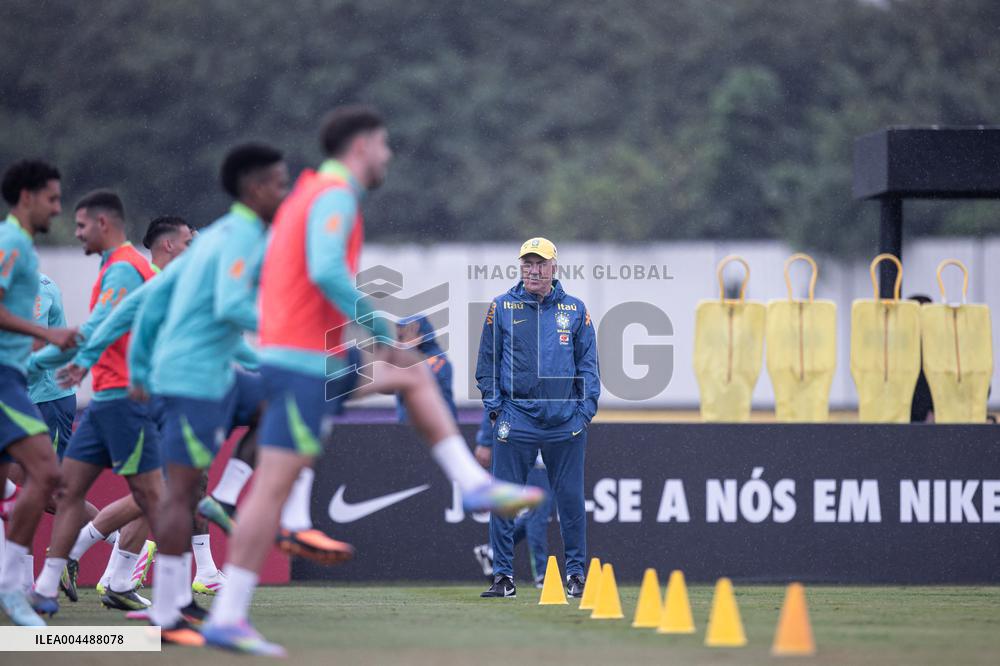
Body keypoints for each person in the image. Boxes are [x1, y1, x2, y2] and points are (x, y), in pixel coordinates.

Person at [200, 105, 544, 656]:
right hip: (300, 363)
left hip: (307, 358)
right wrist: (380, 328)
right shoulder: (334, 194)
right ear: (360, 147)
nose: (388, 156)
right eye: (384, 145)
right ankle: (229, 612)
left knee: (410, 376)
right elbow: (326, 268)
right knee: (270, 488)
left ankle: (471, 483)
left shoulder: (311, 194)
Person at [125, 143, 289, 646]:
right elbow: (230, 303)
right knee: (179, 492)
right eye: (279, 183)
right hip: (193, 378)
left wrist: (137, 367)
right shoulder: (235, 237)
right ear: (255, 188)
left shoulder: (221, 237)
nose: (284, 192)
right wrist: (287, 334)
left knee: (275, 402)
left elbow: (151, 306)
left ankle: (225, 496)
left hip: (211, 373)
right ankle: (168, 612)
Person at [30, 190, 163, 619]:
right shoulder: (116, 266)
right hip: (111, 398)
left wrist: (77, 359)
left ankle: (108, 578)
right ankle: (53, 585)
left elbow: (103, 326)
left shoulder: (125, 268)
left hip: (124, 396)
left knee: (149, 494)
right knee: (74, 493)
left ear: (104, 224)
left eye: (82, 225)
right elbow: (101, 328)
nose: (77, 232)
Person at [54, 216, 195, 606]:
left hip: (159, 397)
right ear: (168, 245)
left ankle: (117, 582)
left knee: (156, 493)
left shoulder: (168, 282)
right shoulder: (140, 278)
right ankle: (69, 555)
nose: (193, 247)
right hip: (135, 400)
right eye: (187, 240)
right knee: (155, 492)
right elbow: (108, 324)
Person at [475, 237, 599, 599]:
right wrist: (497, 410)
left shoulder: (575, 310)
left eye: (540, 263)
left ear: (553, 268)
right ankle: (503, 578)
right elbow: (487, 366)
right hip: (517, 419)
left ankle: (576, 576)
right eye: (527, 263)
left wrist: (584, 413)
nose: (532, 269)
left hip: (565, 422)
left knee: (571, 500)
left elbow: (588, 367)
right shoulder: (501, 307)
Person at [0, 159, 75, 626]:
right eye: (52, 198)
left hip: (13, 375)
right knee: (46, 474)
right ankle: (14, 589)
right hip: (6, 378)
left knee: (34, 479)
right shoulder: (12, 243)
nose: (58, 207)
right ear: (27, 197)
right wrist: (49, 335)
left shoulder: (20, 244)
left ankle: (15, 585)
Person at [472, 410, 554, 587]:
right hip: (527, 446)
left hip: (548, 445)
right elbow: (494, 403)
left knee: (537, 511)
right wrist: (485, 441)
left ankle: (492, 551)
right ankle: (541, 573)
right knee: (538, 509)